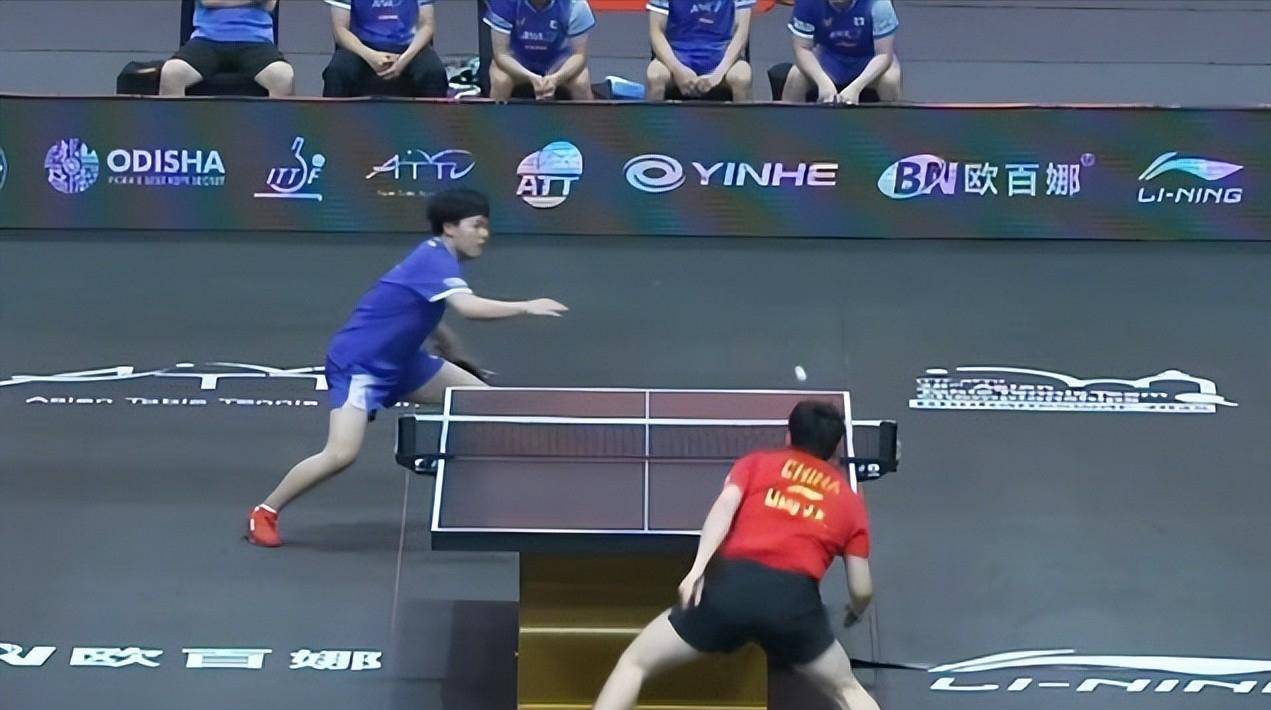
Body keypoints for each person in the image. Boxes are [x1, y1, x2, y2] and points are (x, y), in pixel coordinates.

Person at [247, 189, 568, 547]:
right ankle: (265, 511)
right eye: (476, 225)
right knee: (340, 454)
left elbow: (420, 311)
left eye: (486, 226)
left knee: (483, 402)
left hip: (403, 362)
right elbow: (470, 309)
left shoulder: (436, 258)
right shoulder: (434, 260)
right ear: (450, 227)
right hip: (360, 365)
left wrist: (454, 352)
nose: (484, 234)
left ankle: (440, 458)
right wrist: (526, 306)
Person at [593, 401, 881, 710]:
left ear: (789, 435)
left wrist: (697, 569)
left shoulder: (756, 463)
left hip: (731, 591)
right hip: (792, 606)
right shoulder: (850, 503)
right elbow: (861, 588)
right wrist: (856, 609)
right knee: (847, 689)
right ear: (836, 449)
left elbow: (724, 508)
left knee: (634, 664)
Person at [160, 0, 294, 97]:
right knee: (171, 73)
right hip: (207, 39)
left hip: (256, 41)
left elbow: (270, 4)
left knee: (283, 77)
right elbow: (208, 1)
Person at [779, 0, 901, 104]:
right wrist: (823, 82)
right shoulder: (807, 2)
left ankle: (891, 123)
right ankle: (787, 124)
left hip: (868, 59)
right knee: (795, 77)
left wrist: (856, 88)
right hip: (828, 57)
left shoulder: (878, 4)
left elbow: (883, 54)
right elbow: (802, 48)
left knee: (890, 81)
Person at [322, 0, 449, 98]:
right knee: (337, 72)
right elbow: (340, 29)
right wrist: (370, 56)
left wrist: (403, 60)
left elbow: (426, 26)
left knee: (433, 72)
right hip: (360, 47)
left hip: (410, 46)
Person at [485, 0, 596, 101]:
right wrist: (531, 77)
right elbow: (501, 54)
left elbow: (578, 55)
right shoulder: (503, 3)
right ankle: (496, 117)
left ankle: (588, 118)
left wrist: (555, 79)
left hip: (558, 63)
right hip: (517, 62)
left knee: (581, 83)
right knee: (501, 80)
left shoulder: (575, 5)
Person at [645, 0, 754, 102]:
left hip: (721, 56)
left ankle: (743, 117)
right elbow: (656, 32)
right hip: (676, 55)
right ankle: (655, 117)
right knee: (655, 76)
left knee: (742, 77)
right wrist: (677, 70)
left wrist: (719, 73)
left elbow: (741, 33)